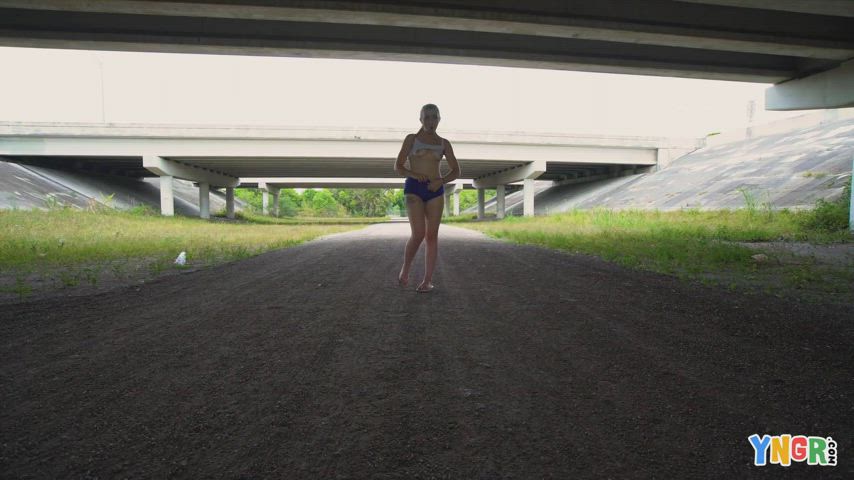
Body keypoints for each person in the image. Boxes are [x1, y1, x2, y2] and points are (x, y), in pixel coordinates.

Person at [394, 103, 461, 293]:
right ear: (420, 119)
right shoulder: (411, 139)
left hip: (435, 189)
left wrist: (441, 181)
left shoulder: (444, 143)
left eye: (434, 117)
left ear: (439, 119)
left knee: (432, 237)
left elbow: (456, 170)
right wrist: (414, 175)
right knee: (418, 234)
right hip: (414, 188)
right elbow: (398, 166)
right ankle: (405, 269)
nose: (431, 121)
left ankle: (427, 281)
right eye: (427, 117)